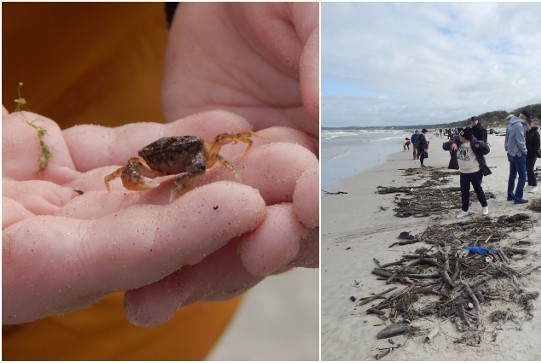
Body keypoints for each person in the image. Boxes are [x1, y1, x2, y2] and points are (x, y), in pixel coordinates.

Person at [3, 2, 318, 360]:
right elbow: (120, 174)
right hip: (59, 149)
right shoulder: (142, 163)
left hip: (137, 59)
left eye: (174, 155)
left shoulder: (206, 148)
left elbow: (231, 141)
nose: (169, 159)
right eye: (159, 158)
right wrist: (136, 182)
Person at [443, 127, 491, 218]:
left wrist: (480, 144)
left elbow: (486, 149)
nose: (460, 137)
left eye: (462, 136)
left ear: (467, 137)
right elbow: (444, 146)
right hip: (463, 172)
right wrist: (453, 143)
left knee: (478, 190)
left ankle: (485, 206)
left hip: (475, 171)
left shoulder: (474, 143)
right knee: (464, 191)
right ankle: (465, 209)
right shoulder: (457, 141)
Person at [505, 111, 530, 204]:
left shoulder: (510, 124)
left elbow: (506, 139)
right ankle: (518, 198)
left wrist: (507, 149)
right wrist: (525, 151)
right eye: (527, 119)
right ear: (524, 117)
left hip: (511, 153)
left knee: (512, 175)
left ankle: (510, 195)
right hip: (518, 154)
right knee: (522, 176)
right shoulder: (519, 125)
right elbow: (520, 141)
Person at [524, 119, 541, 193]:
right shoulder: (526, 132)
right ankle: (529, 184)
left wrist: (530, 150)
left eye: (527, 125)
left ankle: (535, 185)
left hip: (533, 154)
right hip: (527, 153)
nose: (526, 127)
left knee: (530, 169)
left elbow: (537, 145)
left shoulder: (535, 133)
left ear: (531, 125)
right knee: (527, 169)